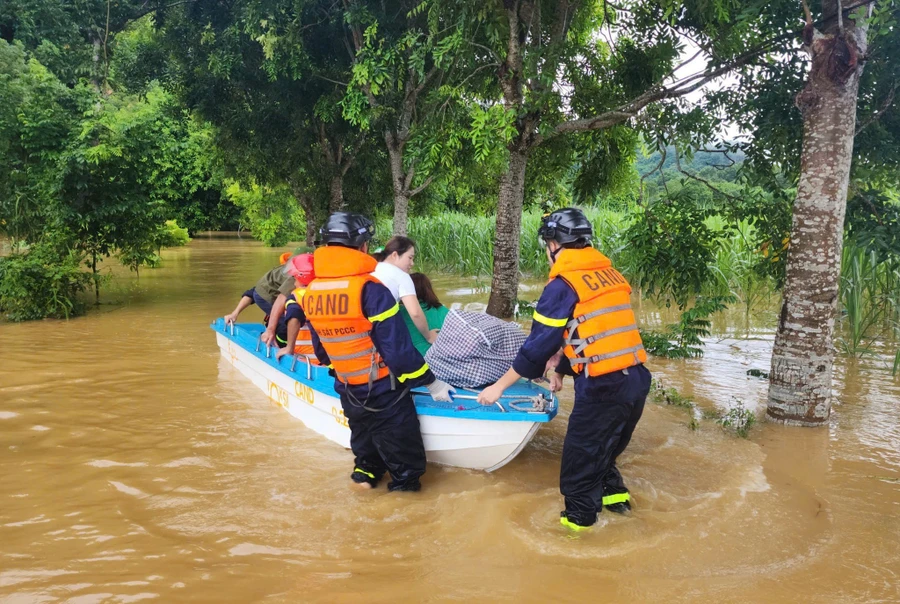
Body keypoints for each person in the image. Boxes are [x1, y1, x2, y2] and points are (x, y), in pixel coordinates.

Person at [476, 208, 651, 531]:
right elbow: (599, 335)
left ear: (553, 244)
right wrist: (561, 368)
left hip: (604, 388)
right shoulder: (608, 275)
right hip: (636, 379)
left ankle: (576, 543)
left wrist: (498, 387)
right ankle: (620, 511)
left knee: (578, 470)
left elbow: (536, 348)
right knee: (604, 453)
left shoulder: (562, 284)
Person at [304, 212, 456, 492]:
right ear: (362, 247)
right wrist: (432, 382)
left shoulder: (312, 291)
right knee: (406, 468)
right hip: (384, 391)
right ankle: (402, 510)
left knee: (366, 456)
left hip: (348, 388)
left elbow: (322, 353)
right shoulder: (370, 290)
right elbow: (398, 351)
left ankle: (365, 478)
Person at [372, 236, 439, 347]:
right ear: (394, 255)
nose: (412, 263)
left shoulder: (373, 267)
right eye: (410, 258)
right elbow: (415, 313)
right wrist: (429, 336)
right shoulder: (401, 276)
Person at [224, 252, 296, 346]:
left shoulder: (279, 276)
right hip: (277, 318)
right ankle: (276, 344)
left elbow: (252, 293)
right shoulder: (287, 279)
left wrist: (235, 313)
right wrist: (234, 313)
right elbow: (254, 293)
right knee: (287, 323)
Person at [275, 253, 317, 362]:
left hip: (304, 358)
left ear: (301, 277)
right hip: (328, 358)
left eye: (295, 278)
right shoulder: (325, 293)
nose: (294, 282)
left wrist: (289, 348)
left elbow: (294, 317)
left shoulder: (296, 297)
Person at [400, 273, 449, 356]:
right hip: (442, 361)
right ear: (429, 290)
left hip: (413, 361)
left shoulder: (399, 312)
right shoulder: (443, 310)